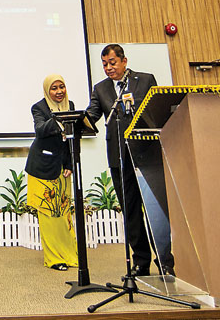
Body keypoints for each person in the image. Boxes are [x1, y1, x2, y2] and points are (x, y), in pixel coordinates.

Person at [86, 44, 174, 277]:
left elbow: (156, 111)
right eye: (104, 64)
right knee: (131, 210)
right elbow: (92, 115)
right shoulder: (101, 89)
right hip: (119, 157)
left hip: (147, 155)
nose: (108, 68)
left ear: (124, 61)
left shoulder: (145, 80)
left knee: (156, 210)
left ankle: (165, 260)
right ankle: (141, 261)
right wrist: (74, 122)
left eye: (112, 63)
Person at [24, 74, 78, 271]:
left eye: (61, 87)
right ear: (47, 91)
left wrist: (70, 164)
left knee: (63, 214)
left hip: (63, 167)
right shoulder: (39, 108)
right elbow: (40, 130)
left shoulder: (70, 105)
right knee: (48, 214)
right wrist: (59, 119)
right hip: (42, 167)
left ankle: (69, 255)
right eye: (54, 88)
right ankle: (55, 259)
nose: (59, 91)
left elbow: (69, 139)